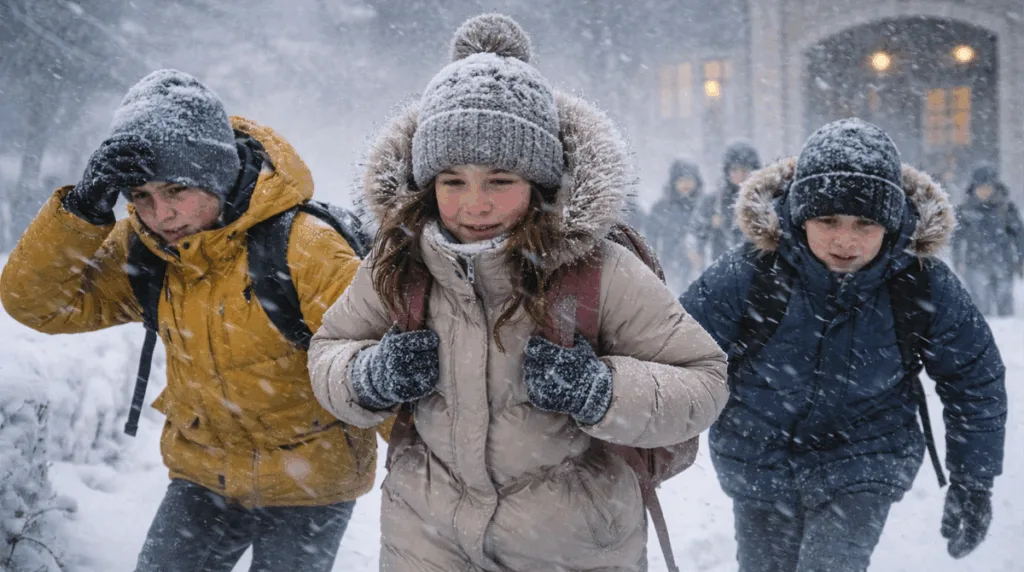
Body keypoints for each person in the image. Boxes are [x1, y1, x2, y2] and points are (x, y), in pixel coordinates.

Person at [307, 14, 729, 572]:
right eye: (452, 181)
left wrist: (599, 391)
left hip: (570, 548)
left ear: (540, 182)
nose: (474, 204)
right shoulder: (398, 262)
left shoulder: (598, 269)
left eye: (500, 181)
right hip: (425, 540)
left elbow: (704, 381)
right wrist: (370, 375)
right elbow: (328, 352)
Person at [0, 69, 382, 572]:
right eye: (141, 196)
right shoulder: (149, 250)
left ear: (216, 173)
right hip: (204, 476)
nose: (162, 214)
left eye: (176, 190)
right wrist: (83, 207)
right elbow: (37, 302)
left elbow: (379, 368)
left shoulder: (305, 249)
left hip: (310, 482)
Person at [682, 118, 1007, 572]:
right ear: (799, 215)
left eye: (865, 223)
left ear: (891, 225)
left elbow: (974, 378)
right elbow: (675, 351)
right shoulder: (752, 274)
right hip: (760, 457)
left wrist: (974, 481)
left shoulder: (919, 284)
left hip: (864, 457)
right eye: (828, 220)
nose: (845, 240)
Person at [952, 161, 1024, 316]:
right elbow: (956, 238)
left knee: (1005, 310)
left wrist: (1021, 260)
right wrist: (958, 260)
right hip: (975, 264)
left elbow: (1019, 236)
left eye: (988, 186)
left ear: (995, 186)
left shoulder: (1006, 208)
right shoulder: (965, 210)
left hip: (1003, 264)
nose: (984, 191)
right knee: (980, 311)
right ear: (974, 187)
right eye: (980, 186)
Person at [647, 157, 707, 294]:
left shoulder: (703, 207)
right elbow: (650, 239)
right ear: (674, 182)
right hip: (667, 266)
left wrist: (700, 256)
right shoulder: (661, 208)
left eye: (689, 180)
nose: (685, 184)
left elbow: (707, 237)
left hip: (695, 268)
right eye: (681, 180)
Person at [700, 140, 761, 263]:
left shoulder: (762, 198)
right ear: (727, 171)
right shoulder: (714, 200)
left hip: (755, 265)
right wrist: (710, 224)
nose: (739, 175)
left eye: (744, 170)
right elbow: (696, 231)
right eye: (734, 170)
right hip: (722, 265)